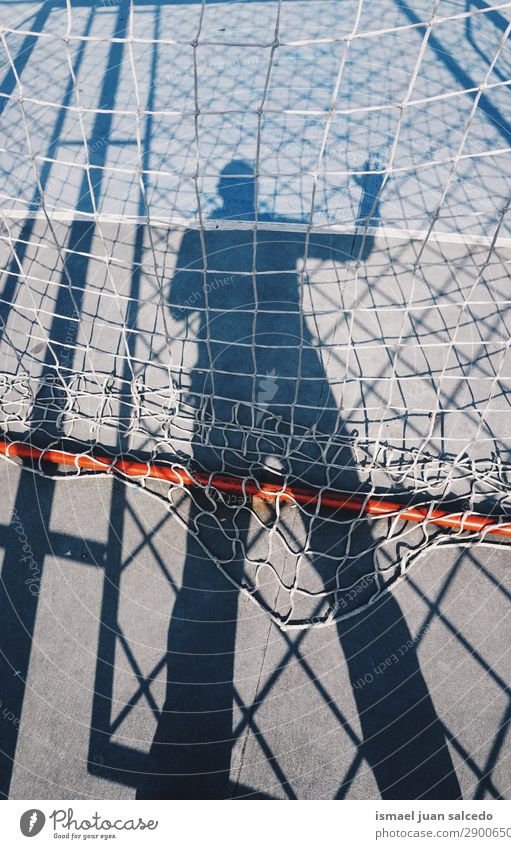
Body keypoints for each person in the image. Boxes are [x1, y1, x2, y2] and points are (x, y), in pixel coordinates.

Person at [137, 161, 460, 800]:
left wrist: (216, 286)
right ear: (254, 193)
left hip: (225, 370)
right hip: (293, 358)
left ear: (221, 194)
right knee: (338, 522)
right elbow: (355, 248)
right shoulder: (276, 225)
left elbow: (177, 305)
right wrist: (367, 192)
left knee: (212, 545)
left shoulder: (200, 235)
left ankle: (183, 759)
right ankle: (415, 784)